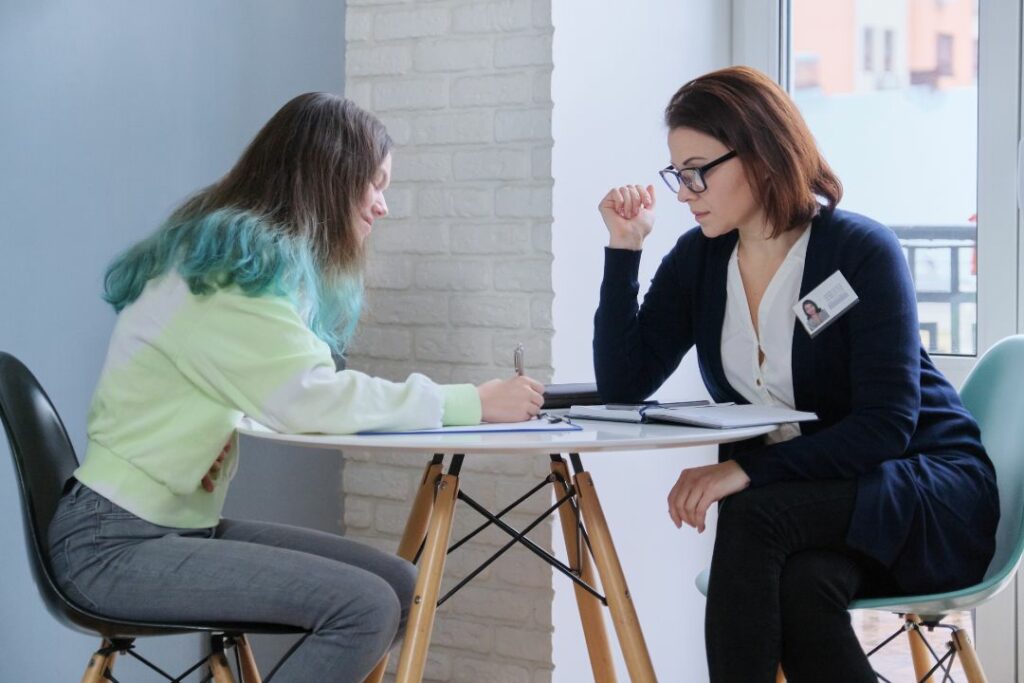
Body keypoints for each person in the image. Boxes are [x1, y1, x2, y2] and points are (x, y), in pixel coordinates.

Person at [47, 93, 545, 683]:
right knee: (364, 607)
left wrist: (207, 439)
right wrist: (471, 402)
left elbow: (262, 388)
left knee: (399, 586)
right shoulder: (230, 273)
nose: (383, 205)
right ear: (331, 177)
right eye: (375, 183)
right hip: (111, 544)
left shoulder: (229, 257)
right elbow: (311, 398)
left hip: (158, 524)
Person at [593, 67, 998, 683]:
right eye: (678, 174)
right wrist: (623, 251)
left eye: (698, 171)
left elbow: (886, 426)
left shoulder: (858, 250)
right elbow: (624, 384)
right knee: (803, 589)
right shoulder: (701, 259)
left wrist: (746, 470)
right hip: (818, 503)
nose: (684, 192)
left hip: (920, 487)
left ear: (760, 154)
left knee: (753, 512)